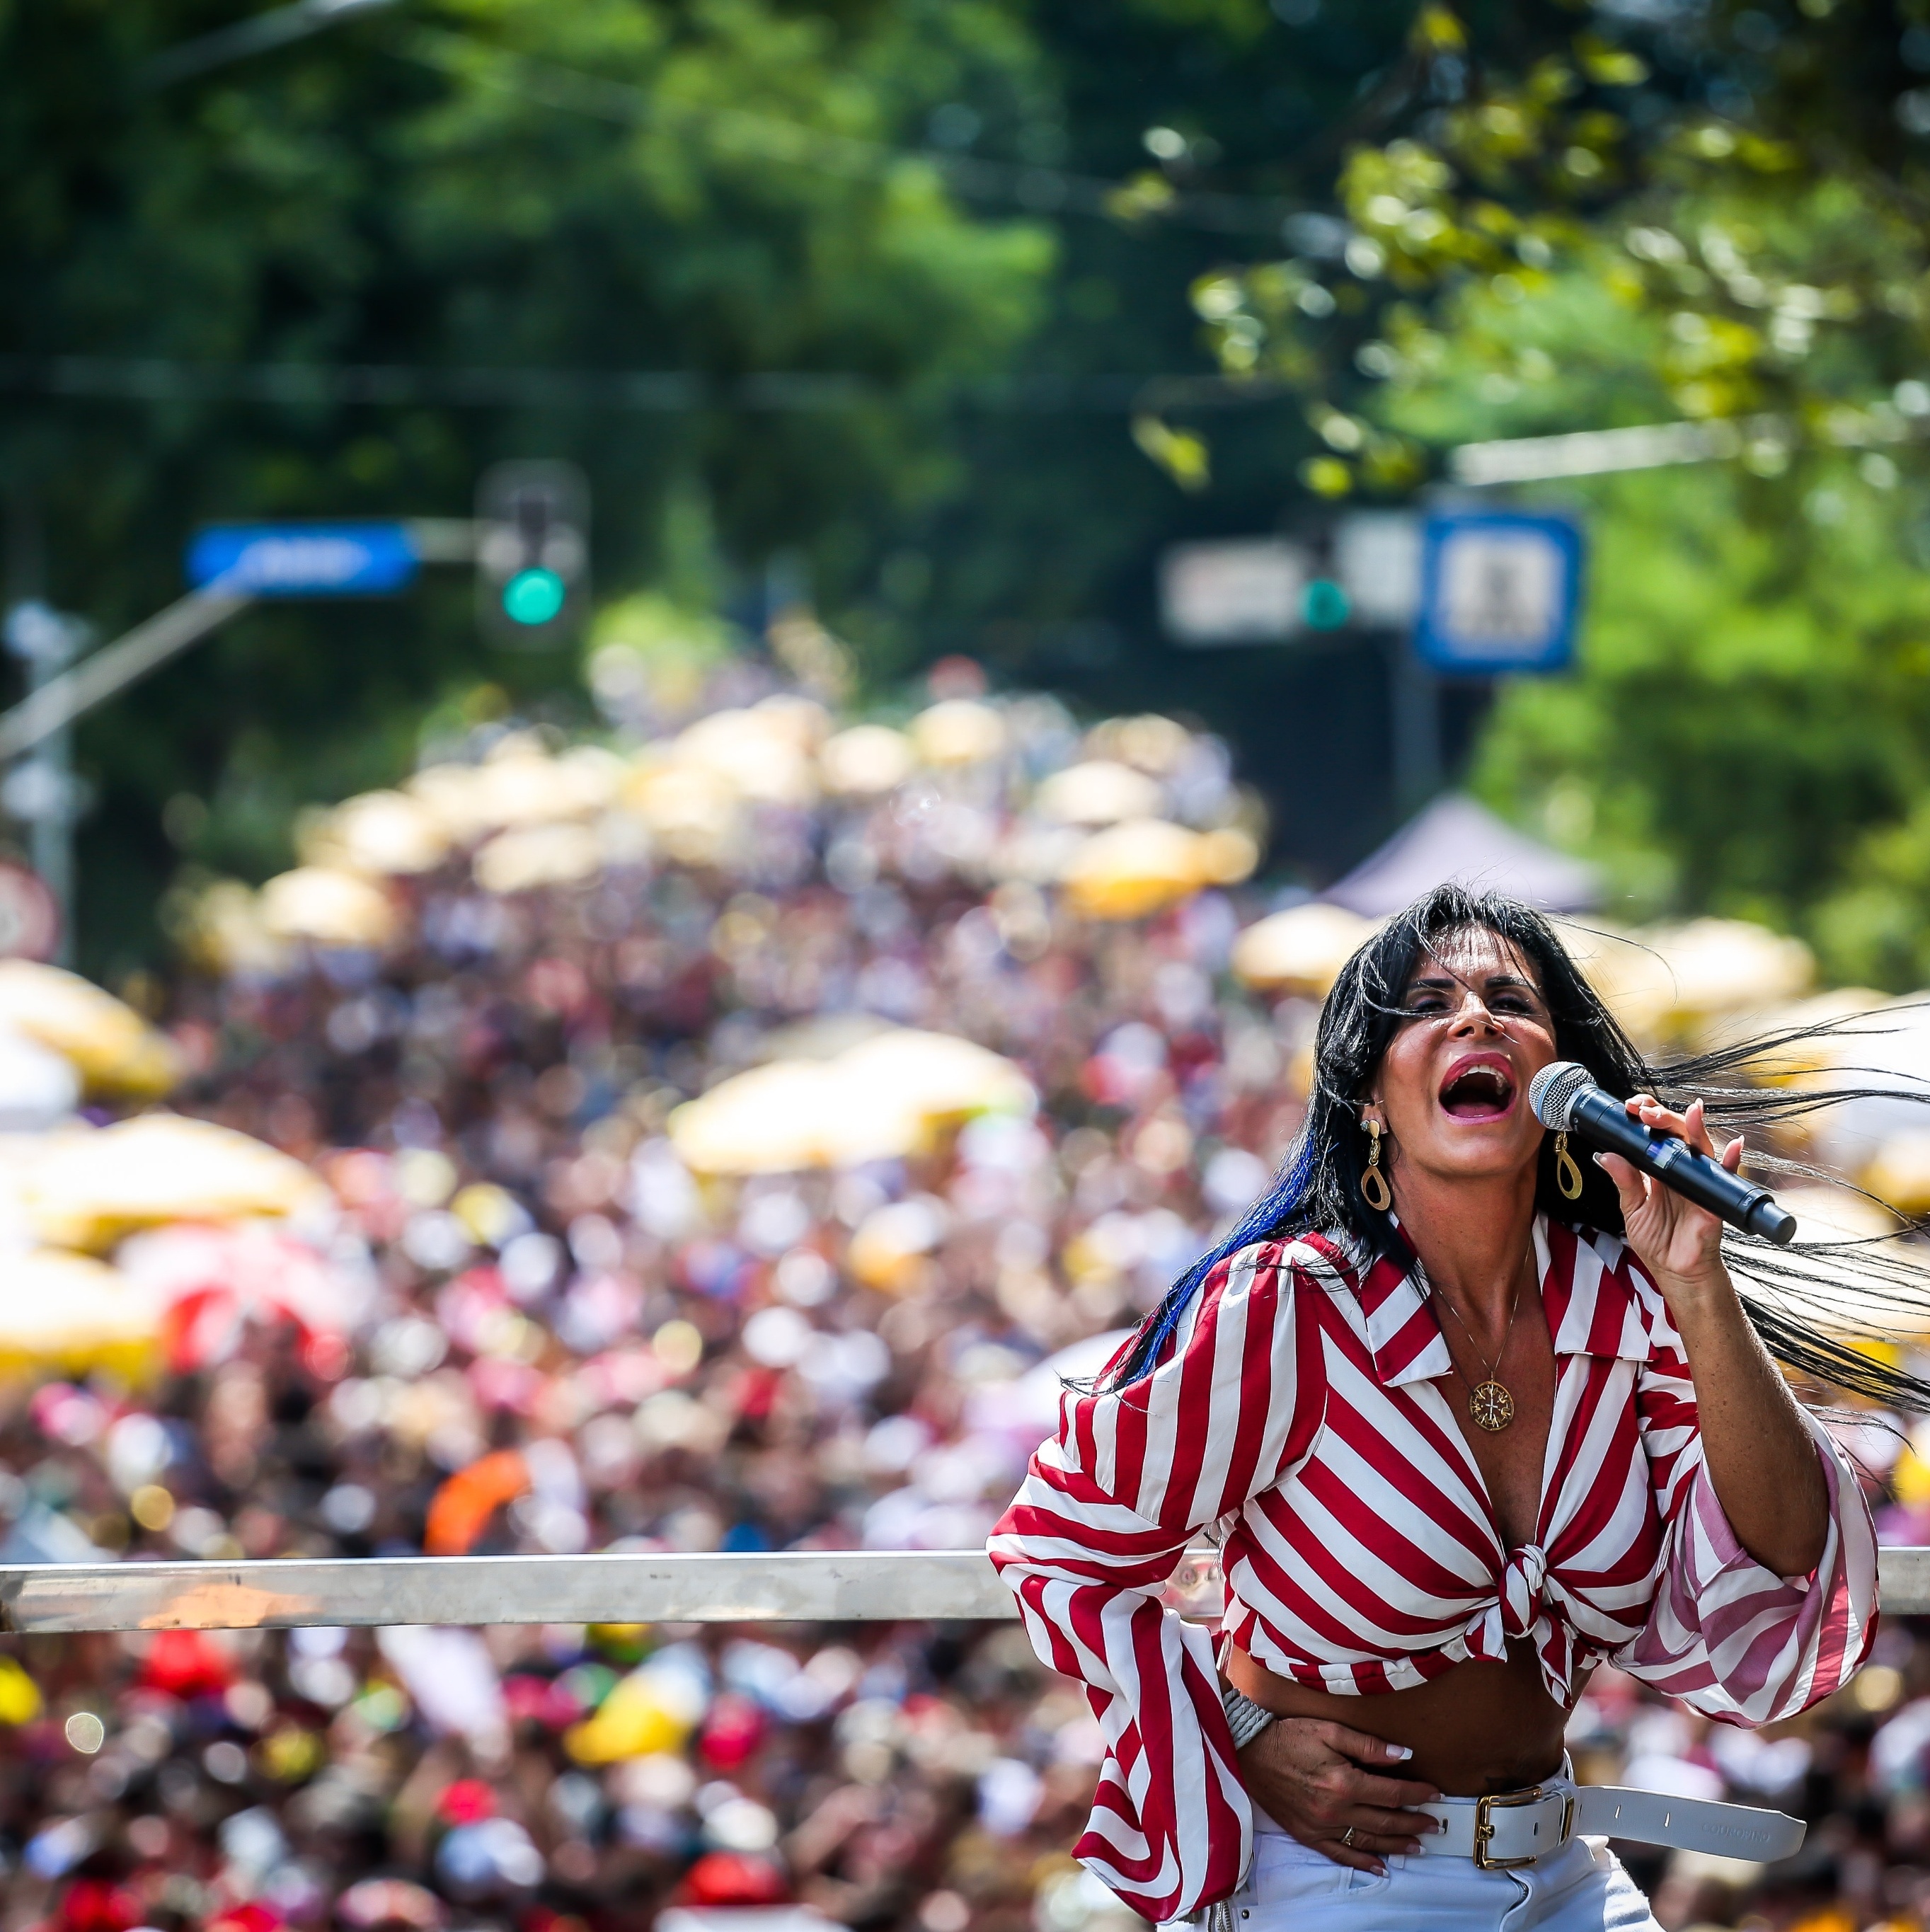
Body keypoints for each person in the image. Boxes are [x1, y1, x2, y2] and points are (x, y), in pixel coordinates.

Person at [989, 885, 1896, 1932]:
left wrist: (1697, 1279)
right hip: (1328, 1885)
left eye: (1511, 998)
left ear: (1562, 1079)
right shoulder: (1294, 1310)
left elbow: (1783, 1552)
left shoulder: (1628, 1302)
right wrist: (1237, 1727)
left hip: (1567, 1877)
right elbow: (1058, 1545)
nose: (1475, 1016)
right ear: (1370, 1098)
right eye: (1427, 1004)